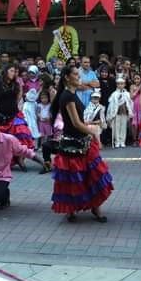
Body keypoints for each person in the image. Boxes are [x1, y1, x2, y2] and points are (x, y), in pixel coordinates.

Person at [50, 65, 113, 222]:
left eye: (79, 74)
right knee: (73, 178)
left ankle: (95, 208)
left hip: (82, 140)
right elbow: (76, 123)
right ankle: (71, 210)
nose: (79, 77)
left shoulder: (73, 93)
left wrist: (89, 127)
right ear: (67, 77)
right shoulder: (67, 96)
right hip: (73, 143)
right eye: (76, 74)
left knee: (92, 175)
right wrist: (93, 132)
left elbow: (79, 121)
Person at [0, 65, 34, 171]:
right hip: (0, 117)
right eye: (11, 71)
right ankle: (1, 162)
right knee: (1, 142)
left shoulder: (16, 85)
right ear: (5, 72)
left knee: (24, 135)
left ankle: (20, 159)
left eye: (15, 71)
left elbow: (18, 99)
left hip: (14, 116)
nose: (14, 73)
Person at [106, 77, 133, 148]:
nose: (120, 85)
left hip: (124, 112)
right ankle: (117, 141)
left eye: (122, 84)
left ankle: (122, 141)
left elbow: (130, 103)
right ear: (117, 85)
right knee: (116, 127)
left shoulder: (127, 94)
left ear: (124, 85)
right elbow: (111, 104)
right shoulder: (114, 94)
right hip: (116, 112)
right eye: (119, 84)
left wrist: (129, 111)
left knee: (123, 127)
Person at [130, 73, 141, 146]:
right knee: (134, 124)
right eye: (135, 79)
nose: (136, 80)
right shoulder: (132, 86)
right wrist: (138, 89)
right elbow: (132, 96)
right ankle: (134, 140)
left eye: (138, 78)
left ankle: (140, 139)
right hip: (134, 105)